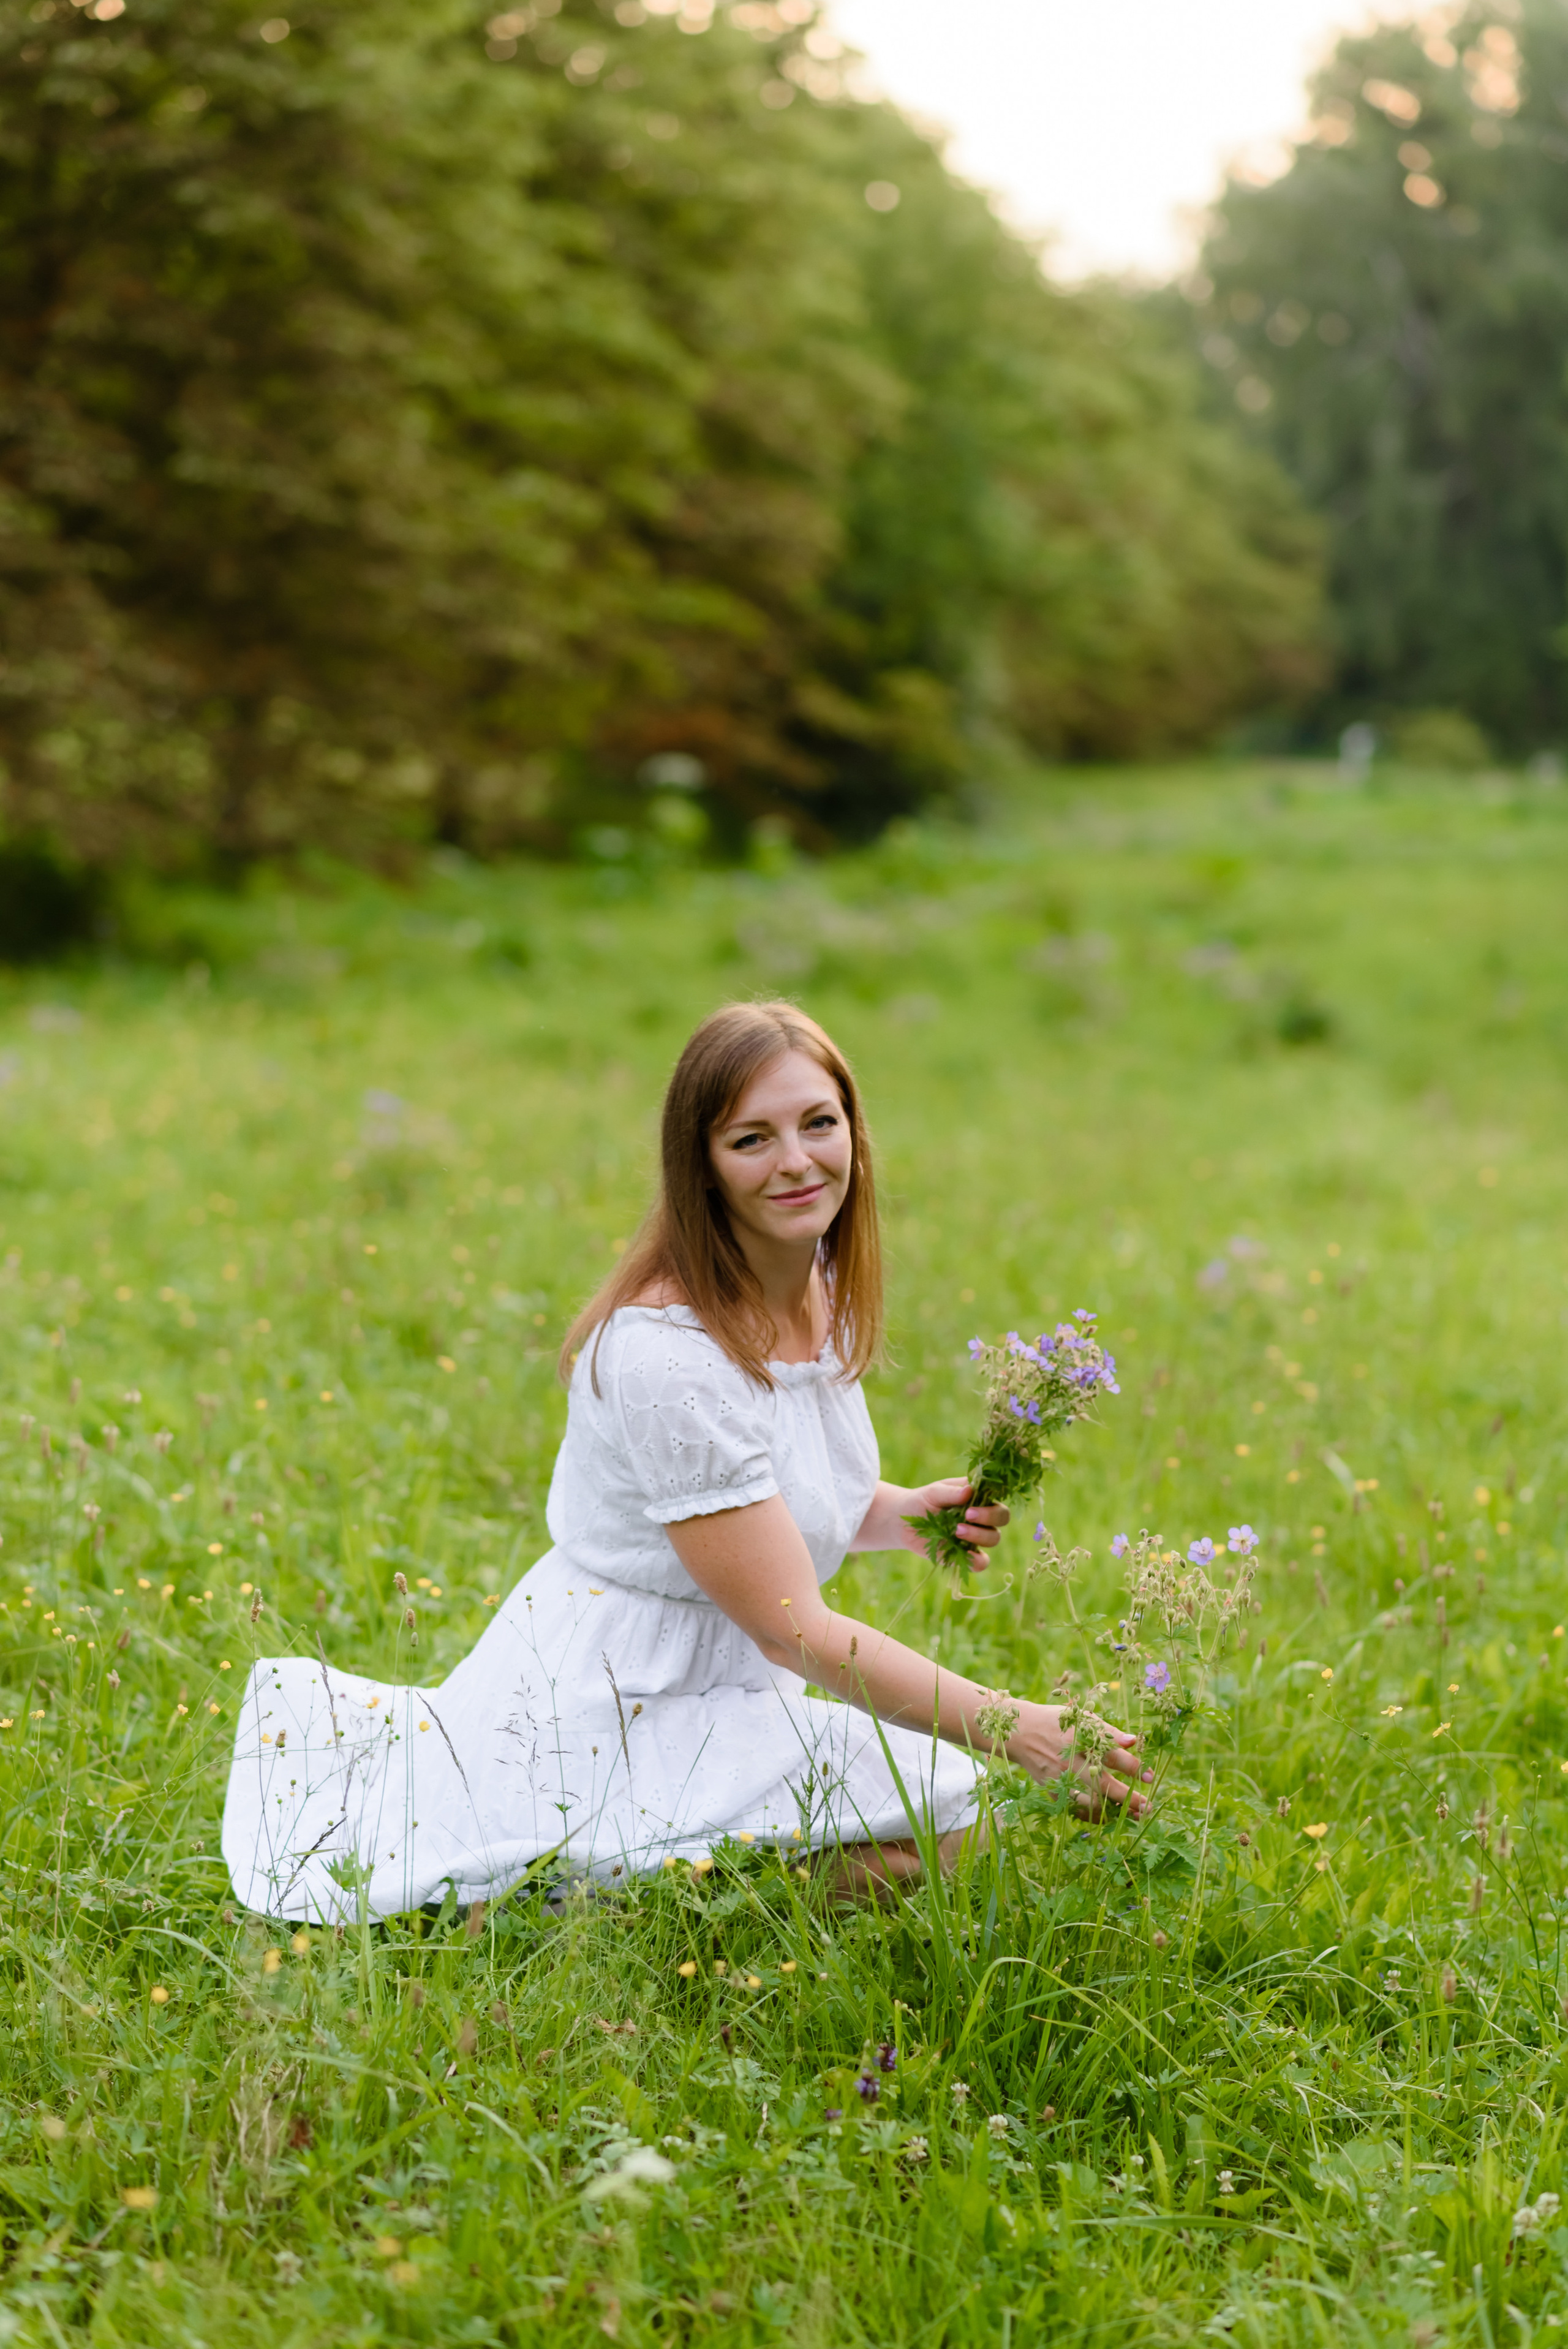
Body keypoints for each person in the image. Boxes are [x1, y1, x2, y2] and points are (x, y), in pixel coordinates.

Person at [221, 1002, 1147, 1922]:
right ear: (699, 1166)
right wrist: (1009, 1724)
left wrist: (898, 1513)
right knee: (944, 1835)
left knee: (949, 1828)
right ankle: (585, 1899)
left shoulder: (810, 1278)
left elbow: (764, 1499)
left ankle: (665, 1876)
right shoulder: (668, 1354)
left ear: (854, 1133)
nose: (796, 1161)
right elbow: (793, 1627)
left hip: (730, 1674)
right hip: (622, 1696)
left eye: (819, 1123)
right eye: (752, 1138)